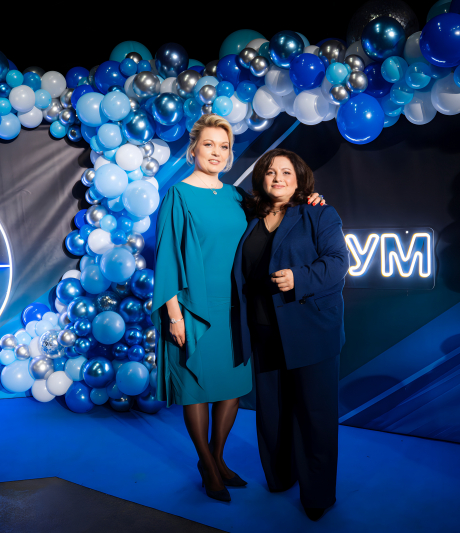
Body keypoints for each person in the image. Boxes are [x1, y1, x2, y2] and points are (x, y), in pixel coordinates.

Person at [151, 116, 325, 503]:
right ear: (193, 149)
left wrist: (310, 200)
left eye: (224, 146)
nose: (217, 152)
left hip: (235, 309)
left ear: (230, 155)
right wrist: (174, 315)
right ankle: (208, 465)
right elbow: (166, 258)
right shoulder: (178, 195)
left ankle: (216, 458)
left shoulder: (237, 197)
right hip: (193, 309)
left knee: (230, 390)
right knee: (197, 390)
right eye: (209, 144)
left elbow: (276, 216)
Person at [232, 148, 349, 520]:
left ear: (299, 179)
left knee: (315, 416)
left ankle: (317, 496)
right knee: (272, 413)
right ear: (261, 178)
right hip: (263, 330)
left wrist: (300, 278)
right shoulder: (248, 215)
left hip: (311, 330)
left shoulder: (319, 213)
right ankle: (280, 477)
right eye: (270, 171)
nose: (277, 178)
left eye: (286, 172)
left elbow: (338, 263)